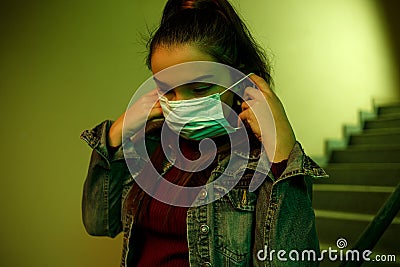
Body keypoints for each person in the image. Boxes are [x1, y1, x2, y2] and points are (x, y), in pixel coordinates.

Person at [80, 0, 328, 266]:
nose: (181, 103)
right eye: (168, 91)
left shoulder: (261, 159)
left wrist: (283, 152)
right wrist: (115, 134)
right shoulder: (151, 144)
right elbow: (99, 223)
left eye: (199, 90)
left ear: (238, 80)